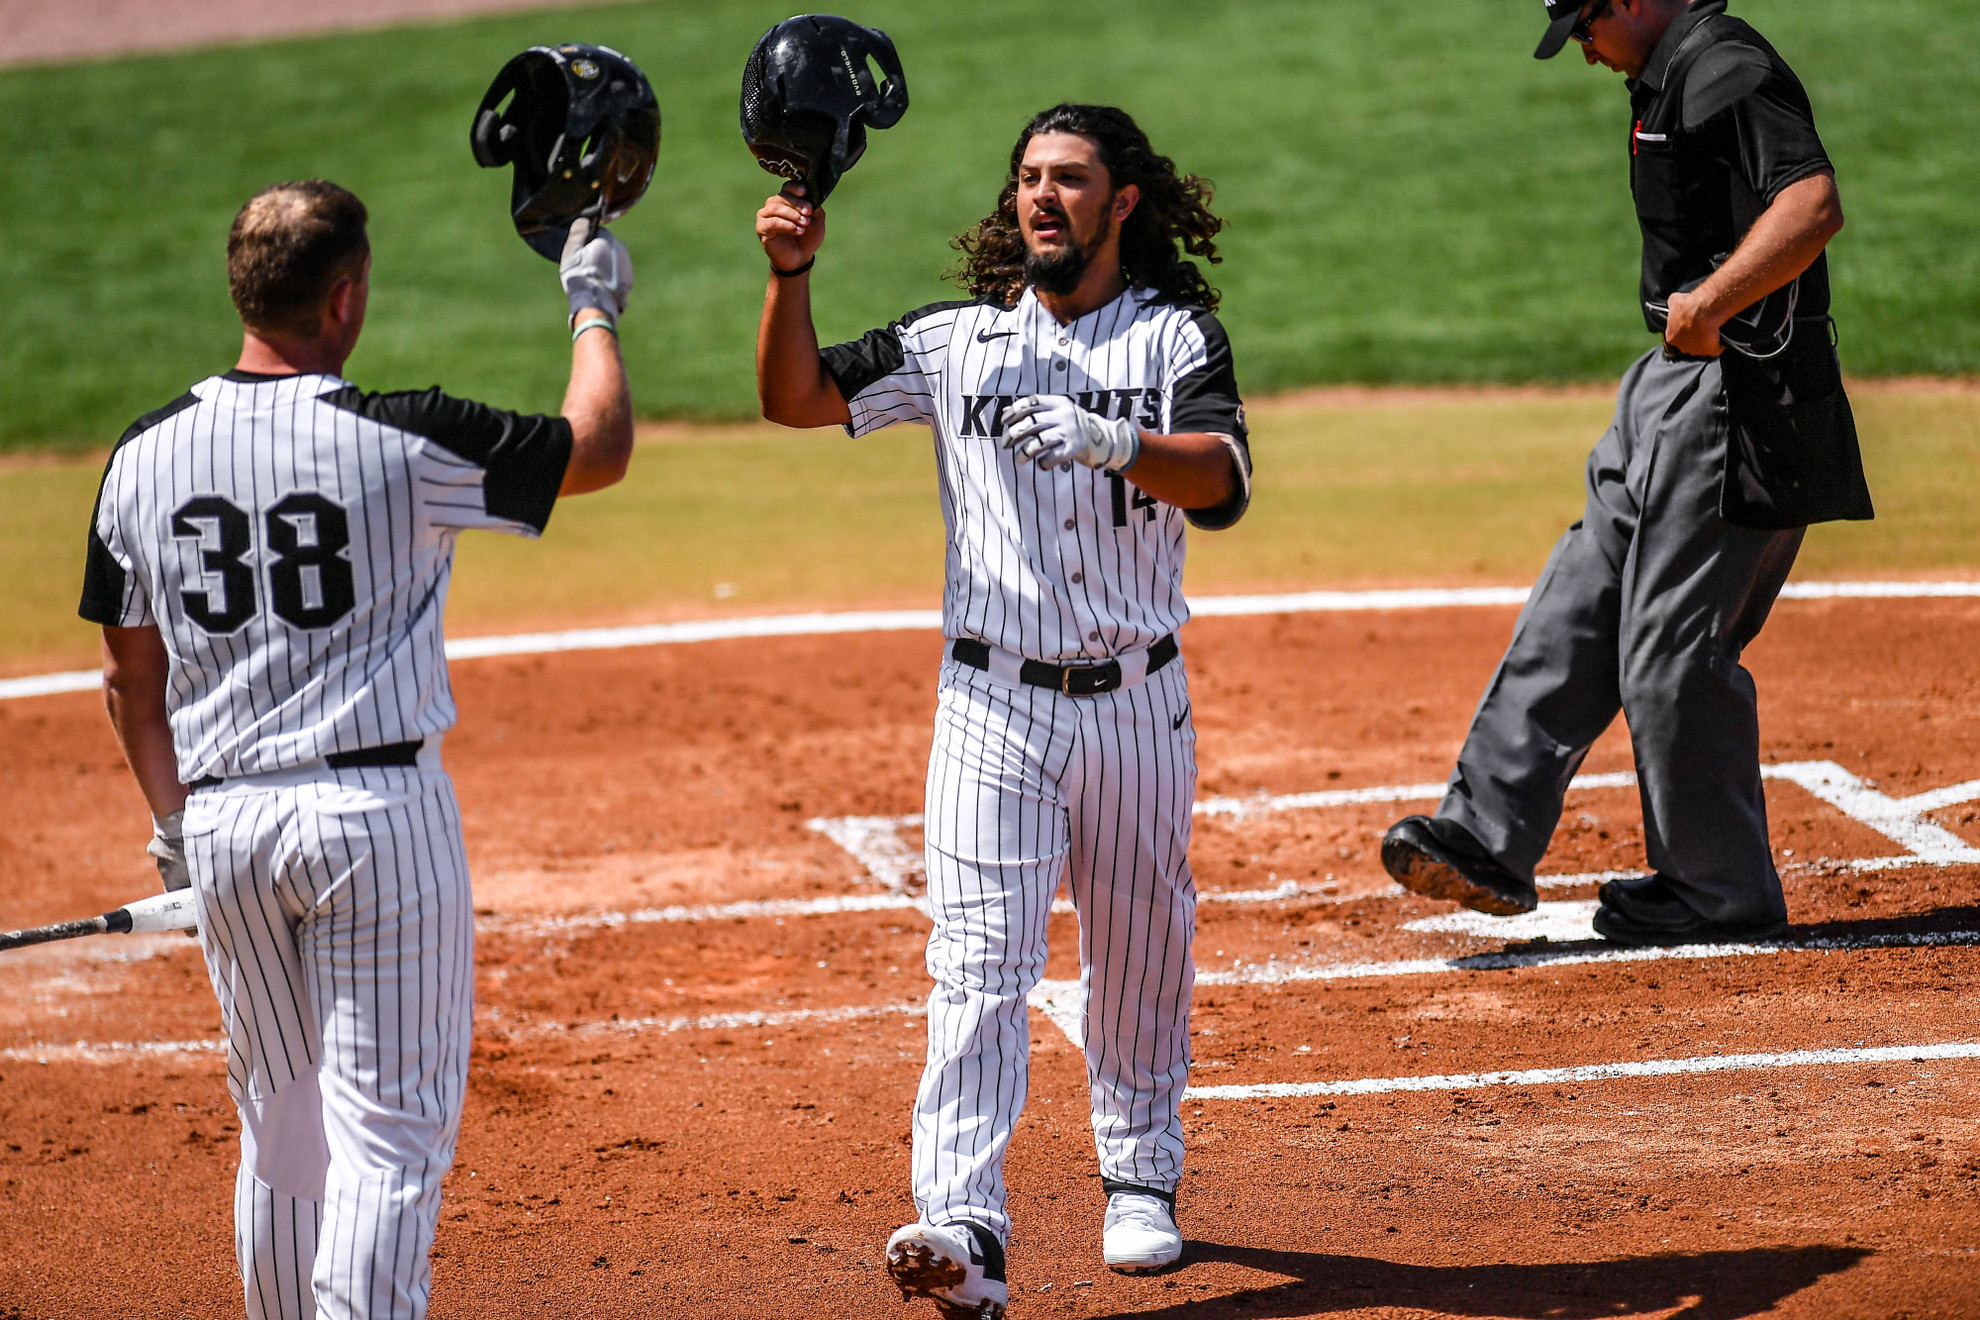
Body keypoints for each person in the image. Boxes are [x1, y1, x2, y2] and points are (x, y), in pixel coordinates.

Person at [80, 180, 635, 1319]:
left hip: (225, 827)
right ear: (346, 297)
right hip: (374, 826)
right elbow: (599, 446)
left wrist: (175, 825)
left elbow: (129, 681)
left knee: (280, 1129)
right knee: (389, 1135)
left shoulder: (138, 459)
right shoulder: (400, 438)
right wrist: (592, 305)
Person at [755, 103, 1252, 1315]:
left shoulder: (1176, 337)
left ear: (1121, 201)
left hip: (1136, 698)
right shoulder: (953, 342)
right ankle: (964, 1219)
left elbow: (1226, 482)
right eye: (1028, 178)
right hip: (990, 703)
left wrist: (1113, 439)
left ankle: (1140, 1180)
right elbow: (798, 397)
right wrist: (791, 272)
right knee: (978, 961)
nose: (1042, 197)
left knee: (1140, 946)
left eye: (1069, 180)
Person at [1382, 0, 1872, 945]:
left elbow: (1812, 204)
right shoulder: (1670, 70)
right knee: (1574, 604)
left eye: (1589, 23)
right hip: (1669, 386)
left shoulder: (1725, 66)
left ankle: (1718, 892)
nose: (1583, 48)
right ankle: (1486, 835)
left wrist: (1710, 306)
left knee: (1671, 656)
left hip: (1742, 393)